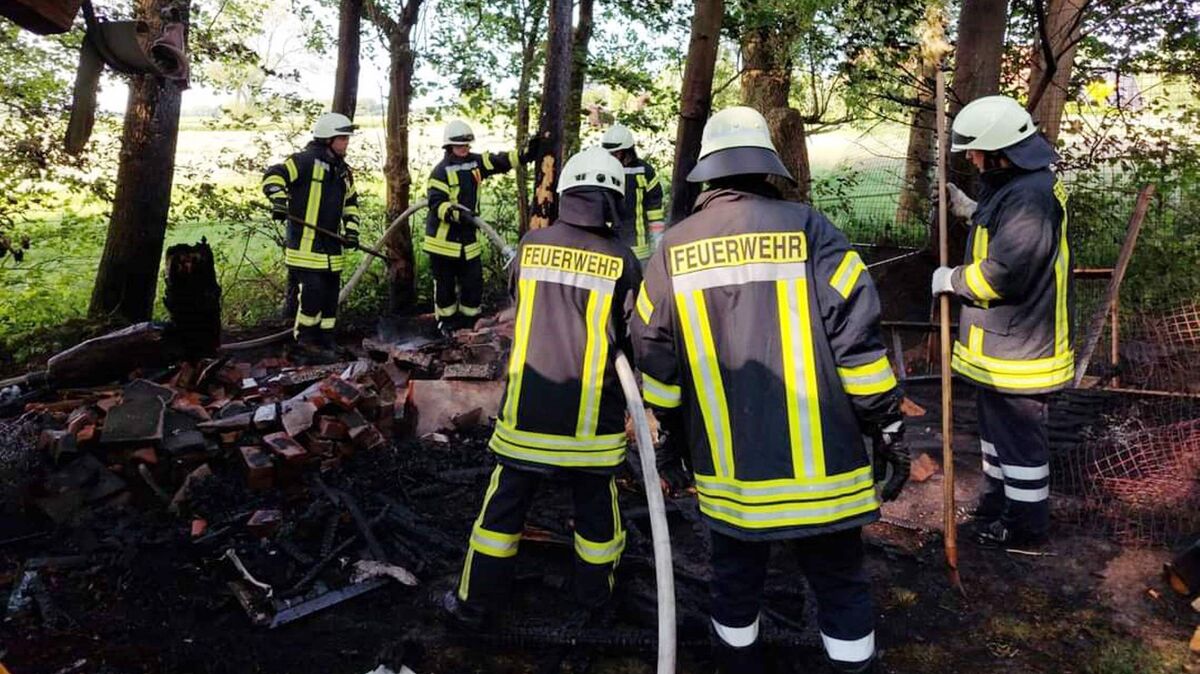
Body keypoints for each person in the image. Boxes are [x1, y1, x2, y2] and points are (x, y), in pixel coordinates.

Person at [633, 106, 907, 674]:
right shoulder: (811, 229)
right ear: (766, 167)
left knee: (734, 584)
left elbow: (653, 353)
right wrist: (887, 425)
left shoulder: (672, 250)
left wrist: (668, 440)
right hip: (825, 475)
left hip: (731, 474)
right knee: (841, 585)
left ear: (707, 173)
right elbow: (857, 341)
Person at [440, 147, 643, 630]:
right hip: (591, 422)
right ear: (613, 201)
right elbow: (632, 338)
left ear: (567, 195)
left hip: (526, 413)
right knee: (596, 512)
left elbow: (521, 301)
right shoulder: (621, 260)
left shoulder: (531, 246)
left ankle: (473, 605)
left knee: (504, 504)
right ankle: (595, 604)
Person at [932, 94, 1073, 548]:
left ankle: (1025, 531)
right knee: (996, 440)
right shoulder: (1015, 187)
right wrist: (970, 209)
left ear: (999, 151)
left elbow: (1005, 274)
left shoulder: (1032, 196)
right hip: (998, 348)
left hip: (1020, 353)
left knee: (1020, 448)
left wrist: (951, 279)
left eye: (974, 151)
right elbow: (1003, 229)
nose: (970, 159)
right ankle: (998, 508)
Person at [262, 112, 361, 364]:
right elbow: (274, 175)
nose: (346, 143)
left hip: (331, 250)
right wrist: (279, 201)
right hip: (305, 248)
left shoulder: (343, 172)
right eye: (342, 138)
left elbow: (350, 203)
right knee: (312, 294)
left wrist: (351, 231)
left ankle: (326, 340)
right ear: (328, 139)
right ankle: (305, 342)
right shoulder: (304, 161)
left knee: (329, 298)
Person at [424, 120, 540, 335]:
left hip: (468, 241)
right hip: (443, 243)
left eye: (467, 145)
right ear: (449, 146)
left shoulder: (475, 163)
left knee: (473, 283)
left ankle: (470, 324)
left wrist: (526, 154)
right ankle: (446, 325)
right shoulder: (440, 172)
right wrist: (456, 213)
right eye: (460, 146)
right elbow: (436, 203)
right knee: (445, 287)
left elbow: (499, 161)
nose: (465, 149)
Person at [601, 123, 666, 263]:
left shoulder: (645, 171)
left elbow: (655, 211)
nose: (612, 157)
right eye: (610, 153)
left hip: (639, 252)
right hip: (609, 248)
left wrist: (658, 244)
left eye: (616, 153)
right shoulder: (602, 172)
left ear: (627, 151)